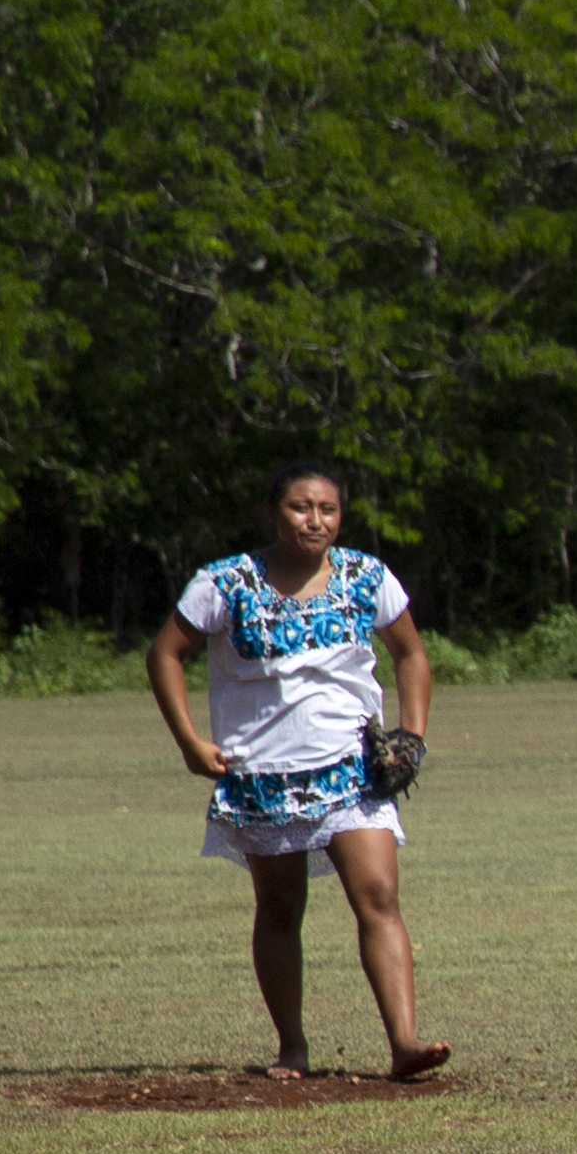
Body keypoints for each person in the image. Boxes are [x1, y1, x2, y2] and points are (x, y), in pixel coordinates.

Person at [146, 456, 447, 1082]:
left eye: (328, 509)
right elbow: (166, 653)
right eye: (300, 507)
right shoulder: (226, 581)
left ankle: (405, 1044)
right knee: (280, 908)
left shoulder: (367, 576)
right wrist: (190, 742)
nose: (315, 520)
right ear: (272, 511)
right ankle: (293, 1048)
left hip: (352, 767)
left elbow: (411, 653)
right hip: (262, 770)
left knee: (380, 898)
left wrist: (412, 736)